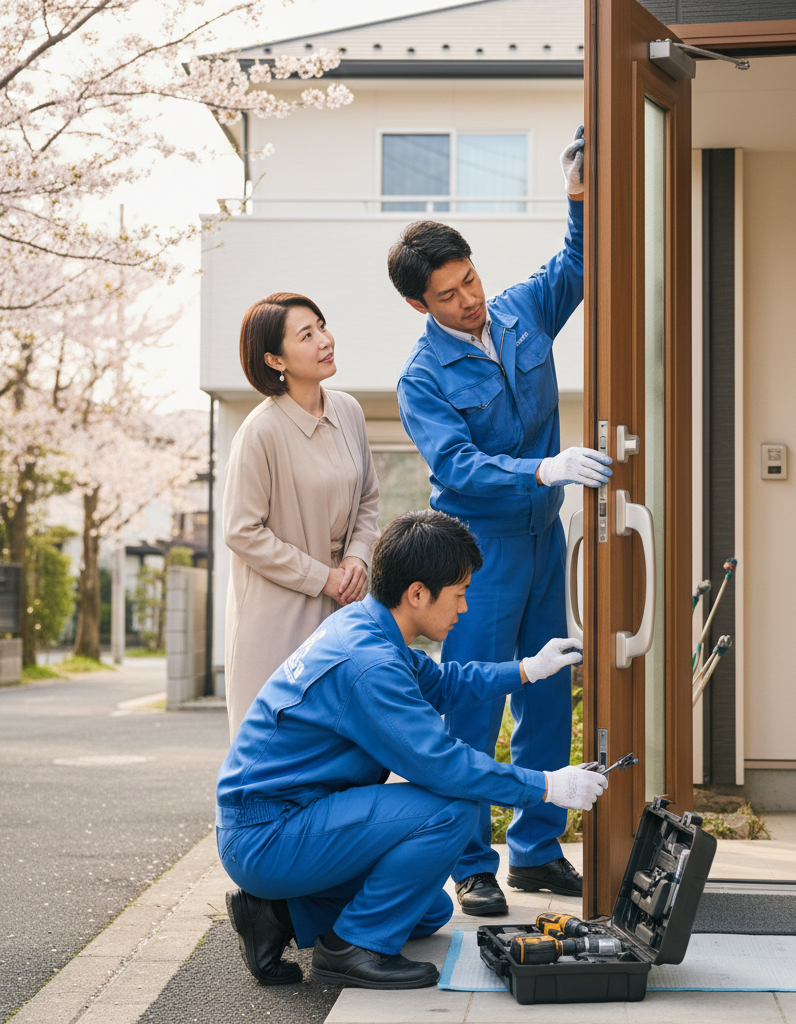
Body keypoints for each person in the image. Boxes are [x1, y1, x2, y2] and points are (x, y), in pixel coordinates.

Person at [217, 510, 608, 990]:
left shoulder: (368, 624)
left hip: (287, 819)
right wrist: (547, 786)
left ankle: (274, 913)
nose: (464, 608)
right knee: (452, 808)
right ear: (418, 593)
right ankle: (353, 948)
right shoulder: (370, 665)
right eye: (460, 593)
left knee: (429, 910)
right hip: (268, 835)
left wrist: (526, 669)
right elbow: (445, 766)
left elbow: (442, 682)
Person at [387, 127, 612, 915]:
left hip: (544, 541)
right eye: (448, 294)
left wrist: (578, 196)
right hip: (474, 561)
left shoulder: (519, 314)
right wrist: (542, 467)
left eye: (470, 278)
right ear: (421, 304)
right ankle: (470, 860)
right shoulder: (421, 377)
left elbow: (579, 267)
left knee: (550, 694)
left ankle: (538, 850)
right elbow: (456, 469)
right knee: (473, 710)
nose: (469, 298)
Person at [221, 292, 380, 737]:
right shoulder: (259, 431)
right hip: (277, 614)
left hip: (345, 601)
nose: (325, 340)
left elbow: (368, 497)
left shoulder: (348, 410)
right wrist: (322, 576)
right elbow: (241, 531)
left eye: (322, 326)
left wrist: (356, 559)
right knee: (275, 743)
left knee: (342, 741)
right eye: (306, 335)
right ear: (275, 359)